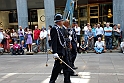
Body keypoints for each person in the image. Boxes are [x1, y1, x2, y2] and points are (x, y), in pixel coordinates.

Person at [49, 14, 71, 83]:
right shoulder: (54, 29)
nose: (62, 22)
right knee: (57, 69)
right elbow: (54, 41)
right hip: (59, 52)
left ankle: (67, 81)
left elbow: (64, 37)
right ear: (58, 21)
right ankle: (52, 81)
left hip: (64, 50)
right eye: (61, 20)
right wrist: (54, 52)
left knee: (67, 67)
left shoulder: (61, 28)